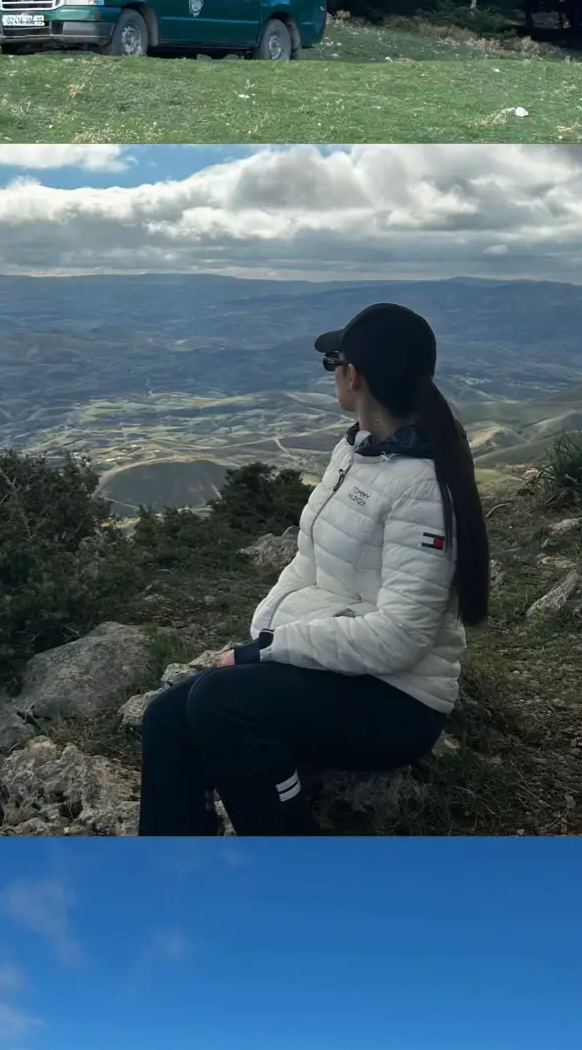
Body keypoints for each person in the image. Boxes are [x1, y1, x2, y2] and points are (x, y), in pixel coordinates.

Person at [137, 303, 490, 836]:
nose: (333, 375)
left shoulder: (420, 488)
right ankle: (171, 877)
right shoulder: (355, 452)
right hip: (339, 665)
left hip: (398, 701)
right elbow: (309, 559)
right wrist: (265, 635)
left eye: (334, 362)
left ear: (355, 377)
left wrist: (270, 649)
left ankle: (291, 872)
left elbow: (402, 638)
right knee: (165, 717)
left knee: (220, 704)